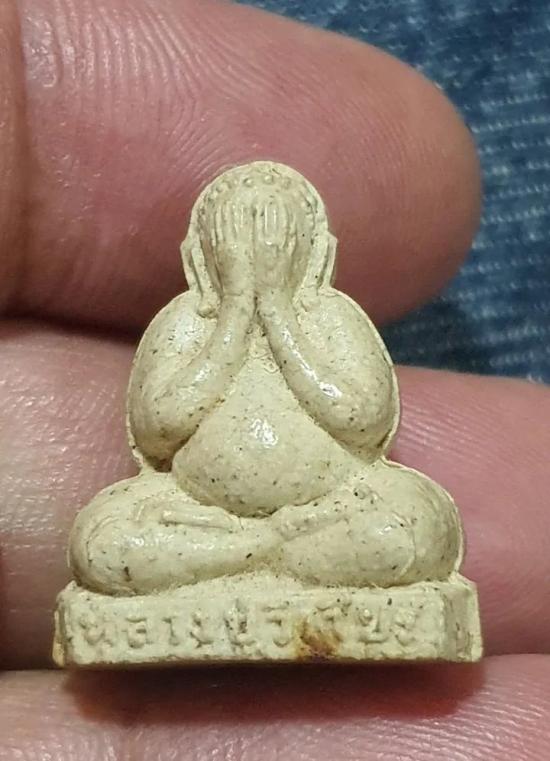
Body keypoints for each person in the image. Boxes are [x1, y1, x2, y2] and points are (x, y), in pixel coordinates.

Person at [0, 0, 549, 758]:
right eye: (240, 236)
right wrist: (234, 316)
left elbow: (363, 423)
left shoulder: (331, 316)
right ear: (202, 252)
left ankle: (265, 555)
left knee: (414, 527)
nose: (258, 250)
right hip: (201, 513)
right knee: (105, 538)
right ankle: (255, 556)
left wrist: (281, 318)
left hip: (330, 506)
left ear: (313, 249)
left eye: (276, 234)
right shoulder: (186, 320)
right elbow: (158, 432)